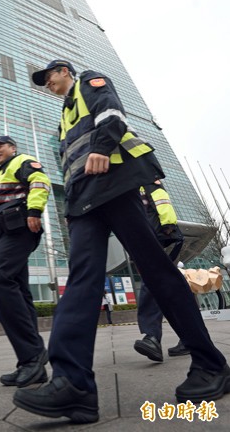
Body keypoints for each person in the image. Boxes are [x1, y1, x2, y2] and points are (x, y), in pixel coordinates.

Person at [13, 59, 230, 424]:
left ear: (64, 70)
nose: (47, 84)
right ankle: (74, 384)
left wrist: (101, 146)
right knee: (82, 276)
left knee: (157, 272)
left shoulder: (89, 83)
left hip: (112, 181)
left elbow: (111, 112)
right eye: (43, 82)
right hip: (85, 196)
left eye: (48, 77)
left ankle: (211, 365)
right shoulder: (64, 115)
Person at [0, 135, 51, 388]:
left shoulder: (23, 161)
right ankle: (31, 364)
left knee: (0, 281)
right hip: (2, 235)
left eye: (1, 146)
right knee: (20, 292)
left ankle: (32, 355)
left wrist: (34, 211)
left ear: (13, 148)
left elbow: (40, 182)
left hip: (20, 227)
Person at [134, 181, 189, 362]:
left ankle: (152, 337)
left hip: (158, 235)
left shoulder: (145, 180)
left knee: (151, 285)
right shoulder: (133, 183)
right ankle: (189, 337)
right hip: (148, 236)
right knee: (165, 287)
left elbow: (162, 200)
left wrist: (168, 226)